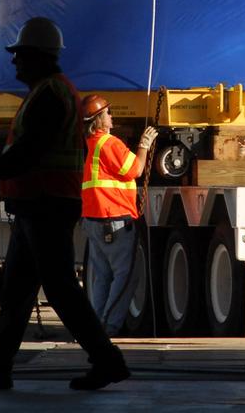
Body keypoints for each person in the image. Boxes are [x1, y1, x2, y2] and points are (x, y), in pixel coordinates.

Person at [0, 17, 129, 392]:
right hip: (39, 204)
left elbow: (27, 153)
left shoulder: (50, 94)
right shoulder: (50, 91)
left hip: (45, 203)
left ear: (37, 57)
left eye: (19, 56)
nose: (14, 63)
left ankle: (107, 360)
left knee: (60, 287)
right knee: (15, 292)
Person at [79, 94, 157, 336]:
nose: (112, 117)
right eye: (108, 113)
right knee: (125, 277)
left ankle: (94, 326)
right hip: (114, 220)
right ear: (100, 120)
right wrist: (144, 146)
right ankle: (108, 327)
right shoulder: (109, 144)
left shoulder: (90, 144)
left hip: (94, 220)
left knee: (102, 277)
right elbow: (135, 169)